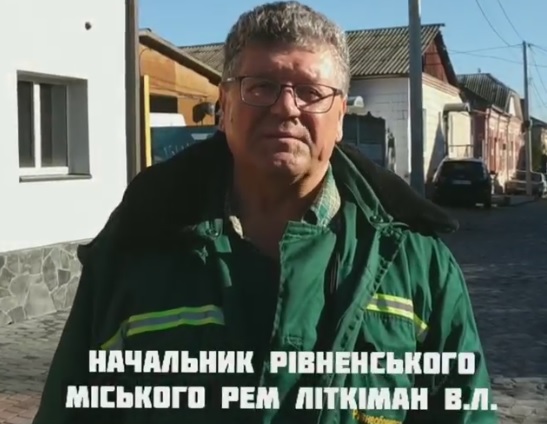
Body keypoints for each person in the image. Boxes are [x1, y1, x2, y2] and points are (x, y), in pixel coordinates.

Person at [32, 2, 498, 423]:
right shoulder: (133, 253)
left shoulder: (417, 267)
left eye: (311, 91)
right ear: (224, 106)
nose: (286, 108)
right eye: (261, 87)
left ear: (340, 116)